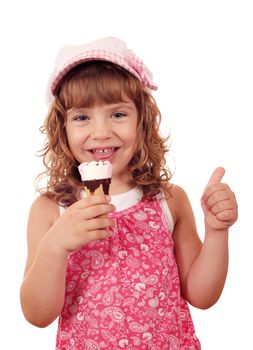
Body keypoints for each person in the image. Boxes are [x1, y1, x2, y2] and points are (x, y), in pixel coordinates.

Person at [20, 37, 238, 349]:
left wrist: (217, 232)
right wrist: (56, 244)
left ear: (142, 120)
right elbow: (37, 314)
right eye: (82, 117)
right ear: (62, 128)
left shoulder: (170, 200)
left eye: (118, 114)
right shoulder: (51, 210)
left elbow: (202, 296)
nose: (101, 132)